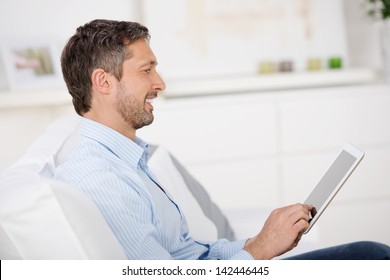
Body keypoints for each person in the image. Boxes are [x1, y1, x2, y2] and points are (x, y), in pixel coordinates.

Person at [55, 19, 390, 260]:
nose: (160, 83)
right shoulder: (99, 178)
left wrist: (259, 240)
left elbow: (192, 256)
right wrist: (259, 252)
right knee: (372, 257)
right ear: (103, 82)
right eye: (146, 70)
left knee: (367, 255)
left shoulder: (127, 159)